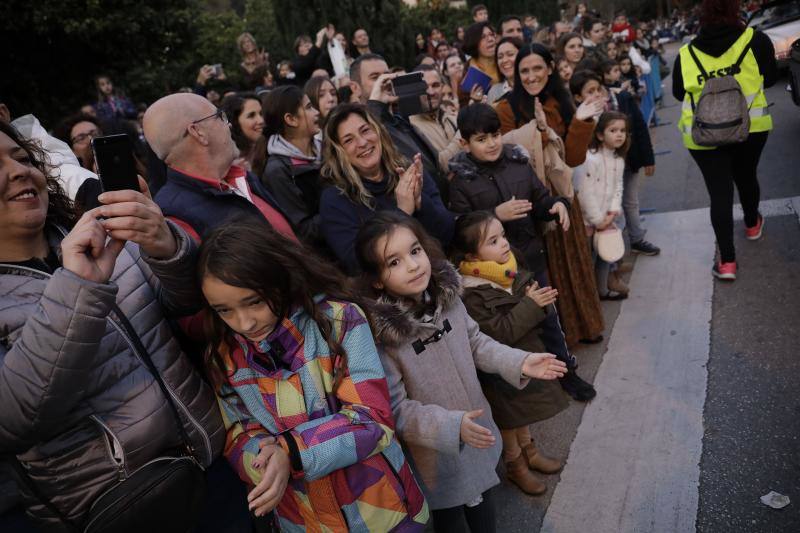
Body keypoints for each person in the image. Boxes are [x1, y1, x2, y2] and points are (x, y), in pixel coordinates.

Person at [0, 121, 257, 532]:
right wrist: (80, 286)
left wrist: (166, 246)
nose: (17, 171)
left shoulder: (99, 231)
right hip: (126, 509)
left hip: (212, 464)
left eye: (23, 158)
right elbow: (14, 420)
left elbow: (188, 302)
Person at [197, 217, 429, 531]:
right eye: (224, 310)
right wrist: (263, 464)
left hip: (384, 511)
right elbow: (237, 432)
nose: (244, 322)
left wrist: (290, 452)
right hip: (304, 520)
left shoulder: (339, 321)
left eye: (253, 302)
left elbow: (372, 417)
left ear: (281, 278)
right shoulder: (224, 356)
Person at [355, 211, 566, 532]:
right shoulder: (385, 339)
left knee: (484, 505)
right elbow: (396, 409)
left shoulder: (449, 298)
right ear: (376, 279)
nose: (413, 265)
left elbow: (476, 343)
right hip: (437, 456)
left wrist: (519, 361)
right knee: (450, 518)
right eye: (394, 262)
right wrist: (450, 426)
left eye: (414, 251)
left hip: (478, 433)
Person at [447, 103, 595, 402]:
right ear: (465, 143)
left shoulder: (518, 164)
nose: (491, 144)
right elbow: (460, 229)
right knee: (512, 327)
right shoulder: (461, 181)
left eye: (495, 135)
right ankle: (525, 386)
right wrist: (494, 214)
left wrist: (556, 206)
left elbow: (540, 199)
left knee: (548, 317)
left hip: (528, 259)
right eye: (481, 139)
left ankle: (566, 372)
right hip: (488, 273)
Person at [495, 43, 607, 353]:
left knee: (574, 265)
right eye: (524, 71)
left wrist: (582, 122)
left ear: (550, 68)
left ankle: (586, 326)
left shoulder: (562, 100)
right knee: (549, 275)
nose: (531, 76)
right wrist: (539, 131)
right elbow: (508, 157)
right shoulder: (505, 109)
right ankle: (562, 339)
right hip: (531, 202)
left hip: (563, 197)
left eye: (537, 68)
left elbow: (571, 157)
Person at [451, 211, 570, 495]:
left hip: (527, 356)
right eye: (493, 241)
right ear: (474, 257)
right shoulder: (471, 292)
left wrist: (542, 303)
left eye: (502, 235)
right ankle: (516, 465)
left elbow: (536, 312)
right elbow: (498, 333)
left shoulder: (510, 268)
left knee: (524, 415)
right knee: (509, 421)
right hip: (500, 370)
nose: (504, 243)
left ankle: (530, 452)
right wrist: (531, 304)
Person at [673, 0, 776, 280]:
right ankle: (753, 223)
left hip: (704, 135)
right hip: (751, 127)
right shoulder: (756, 40)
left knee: (719, 193)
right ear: (736, 11)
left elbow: (678, 93)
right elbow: (769, 78)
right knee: (746, 176)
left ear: (701, 16)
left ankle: (728, 262)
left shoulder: (686, 53)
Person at [318, 103, 454, 274]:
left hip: (438, 275)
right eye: (348, 140)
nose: (362, 142)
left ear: (378, 131)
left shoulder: (408, 171)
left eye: (365, 130)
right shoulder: (335, 200)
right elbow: (357, 265)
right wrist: (403, 212)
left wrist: (420, 202)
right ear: (338, 152)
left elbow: (448, 233)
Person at [144, 93, 296, 243]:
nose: (229, 124)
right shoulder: (175, 218)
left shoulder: (241, 176)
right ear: (198, 132)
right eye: (220, 116)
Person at [574, 69, 660, 261]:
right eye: (590, 91)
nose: (596, 94)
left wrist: (648, 157)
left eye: (598, 88)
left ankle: (636, 239)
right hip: (600, 170)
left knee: (630, 201)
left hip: (627, 160)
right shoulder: (581, 116)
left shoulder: (621, 98)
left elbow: (638, 127)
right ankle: (612, 254)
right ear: (579, 96)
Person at [351, 55, 451, 200]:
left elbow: (433, 164)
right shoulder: (362, 133)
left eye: (386, 75)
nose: (384, 82)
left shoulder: (399, 120)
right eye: (375, 78)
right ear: (355, 88)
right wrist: (375, 104)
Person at [261, 86, 324, 247]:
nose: (317, 112)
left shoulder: (327, 148)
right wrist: (341, 205)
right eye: (309, 107)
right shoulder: (278, 171)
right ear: (291, 119)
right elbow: (304, 231)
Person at [576, 111, 630, 300]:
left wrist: (612, 212)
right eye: (613, 130)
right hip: (588, 222)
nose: (619, 134)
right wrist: (598, 220)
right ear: (600, 135)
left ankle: (602, 291)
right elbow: (585, 193)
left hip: (607, 219)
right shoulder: (591, 159)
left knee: (605, 258)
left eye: (622, 130)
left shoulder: (618, 160)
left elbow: (618, 187)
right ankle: (589, 299)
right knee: (588, 261)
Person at [408, 65, 459, 174]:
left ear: (442, 87)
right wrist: (464, 133)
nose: (431, 92)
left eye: (435, 85)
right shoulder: (410, 127)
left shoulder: (452, 117)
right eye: (424, 87)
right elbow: (439, 166)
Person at [219, 92, 267, 175]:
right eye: (251, 116)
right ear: (234, 122)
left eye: (261, 114)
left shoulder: (270, 150)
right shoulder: (224, 165)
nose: (261, 120)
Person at [487, 37, 523, 104]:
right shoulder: (494, 92)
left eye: (510, 54)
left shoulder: (532, 85)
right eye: (500, 57)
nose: (504, 60)